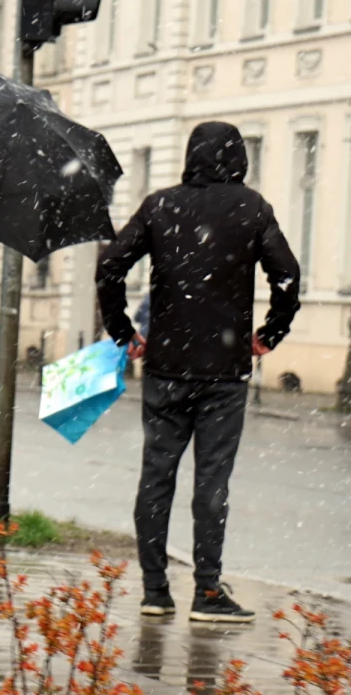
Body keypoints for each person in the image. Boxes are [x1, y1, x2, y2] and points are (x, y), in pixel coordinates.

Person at [96, 121, 301, 623]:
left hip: (166, 365)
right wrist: (269, 335)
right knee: (212, 482)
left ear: (191, 155)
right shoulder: (252, 208)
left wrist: (124, 333)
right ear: (238, 159)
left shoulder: (160, 205)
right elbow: (288, 277)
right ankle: (207, 591)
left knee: (156, 476)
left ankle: (154, 590)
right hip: (225, 372)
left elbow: (110, 268)